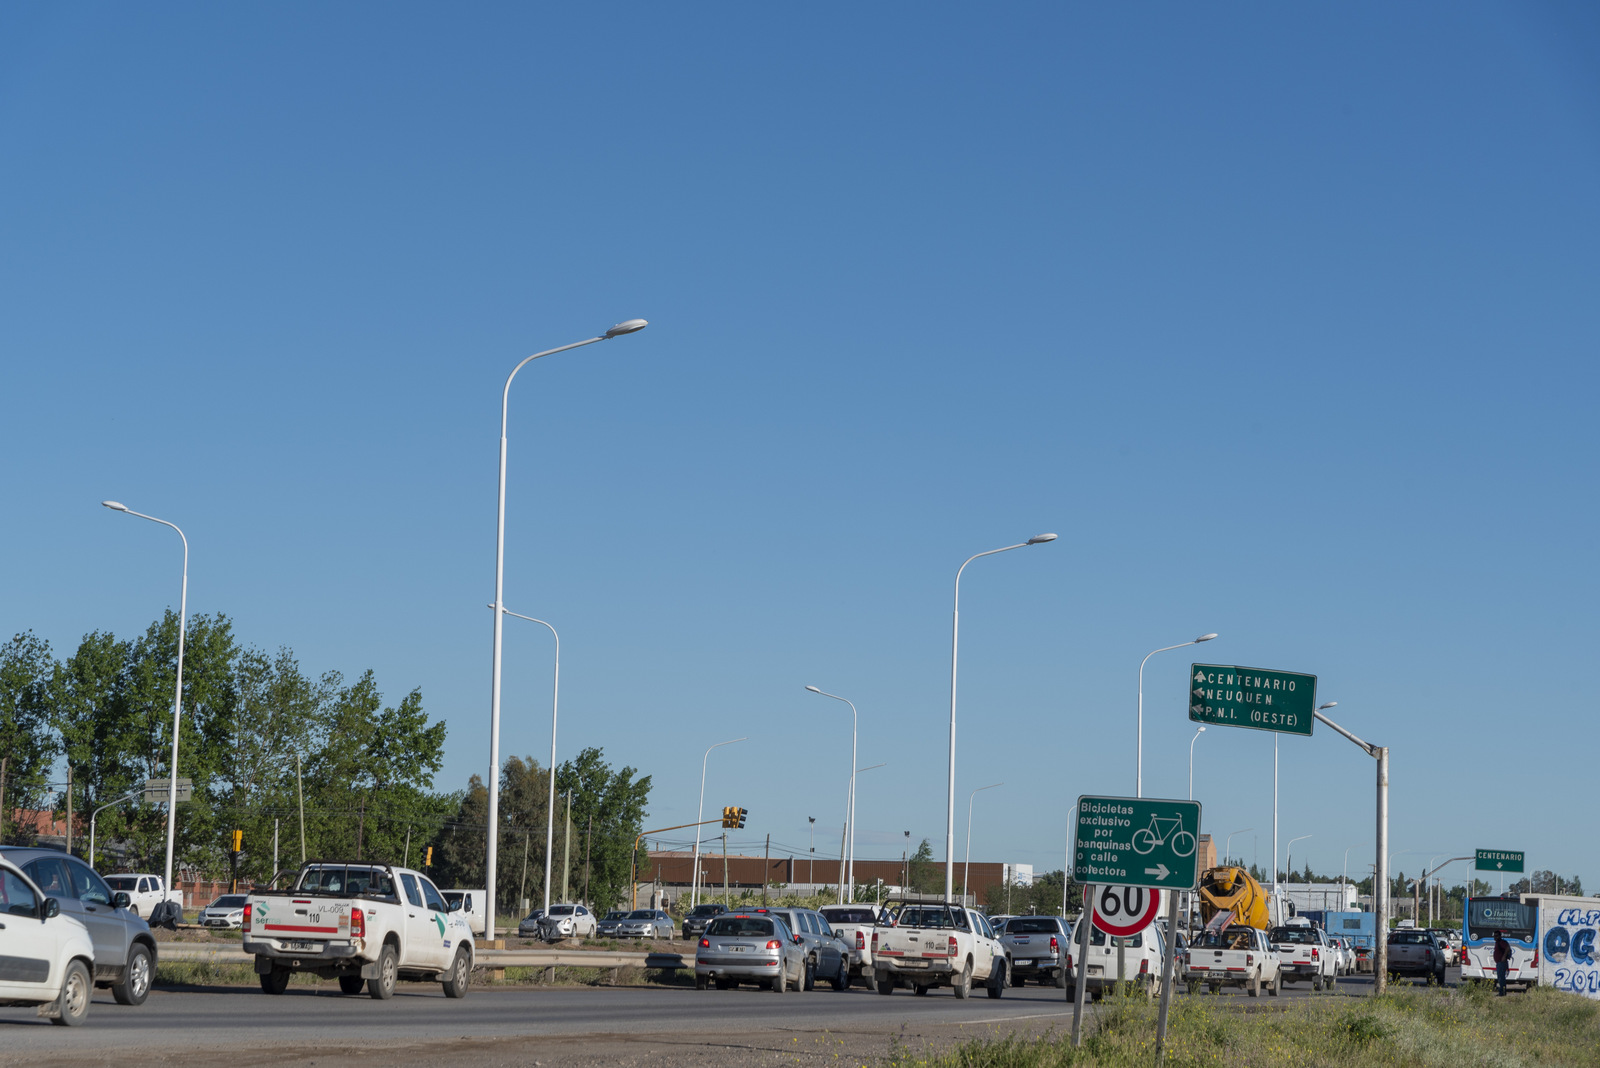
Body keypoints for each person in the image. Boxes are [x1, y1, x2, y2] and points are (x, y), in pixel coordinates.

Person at [1492, 930, 1511, 996]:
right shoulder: (1497, 942)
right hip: (1499, 962)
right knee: (1500, 978)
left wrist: (1504, 956)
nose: (1495, 937)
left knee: (1501, 978)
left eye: (1496, 936)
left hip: (1501, 963)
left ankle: (1502, 992)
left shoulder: (1501, 942)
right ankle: (1502, 992)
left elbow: (1507, 948)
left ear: (1500, 936)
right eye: (1494, 936)